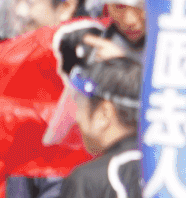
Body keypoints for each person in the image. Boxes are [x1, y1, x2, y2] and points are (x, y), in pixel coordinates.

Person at [56, 58, 143, 198]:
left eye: (81, 105)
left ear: (104, 113)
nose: (77, 118)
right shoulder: (168, 165)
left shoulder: (88, 179)